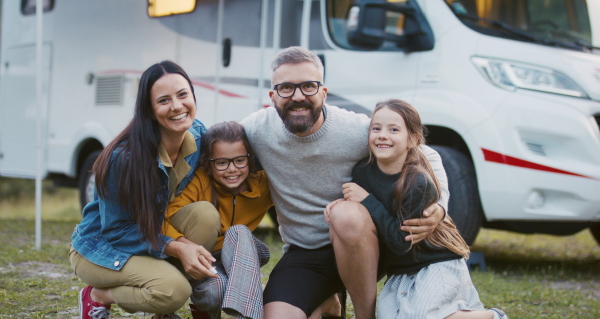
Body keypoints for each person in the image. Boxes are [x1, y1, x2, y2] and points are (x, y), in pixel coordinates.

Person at [240, 46, 449, 319]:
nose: (298, 96)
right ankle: (328, 300)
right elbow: (216, 146)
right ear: (272, 96)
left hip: (368, 243)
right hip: (308, 253)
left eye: (308, 86)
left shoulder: (354, 130)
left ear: (323, 93)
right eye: (286, 88)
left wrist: (441, 205)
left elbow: (427, 154)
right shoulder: (256, 129)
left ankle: (365, 315)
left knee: (345, 213)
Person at [325, 99, 508, 319]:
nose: (382, 135)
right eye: (376, 128)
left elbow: (402, 242)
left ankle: (493, 316)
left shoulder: (418, 182)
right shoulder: (363, 172)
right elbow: (362, 215)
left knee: (421, 317)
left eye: (393, 129)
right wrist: (340, 204)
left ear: (412, 139)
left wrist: (366, 200)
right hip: (401, 271)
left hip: (436, 264)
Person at [70, 60, 221, 319]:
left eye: (183, 95)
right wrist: (176, 247)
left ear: (193, 96)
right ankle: (97, 296)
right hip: (103, 247)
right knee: (173, 291)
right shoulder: (124, 159)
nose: (177, 106)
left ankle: (189, 305)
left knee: (205, 215)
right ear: (149, 110)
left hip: (152, 235)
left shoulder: (197, 134)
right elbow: (117, 230)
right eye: (164, 100)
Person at [165, 121, 273, 319]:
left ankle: (248, 314)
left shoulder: (262, 185)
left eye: (240, 160)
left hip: (240, 251)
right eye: (222, 162)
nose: (232, 169)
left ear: (250, 159)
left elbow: (295, 198)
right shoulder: (200, 182)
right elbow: (166, 220)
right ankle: (204, 309)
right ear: (209, 162)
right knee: (216, 288)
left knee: (239, 232)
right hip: (203, 257)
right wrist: (184, 247)